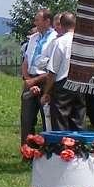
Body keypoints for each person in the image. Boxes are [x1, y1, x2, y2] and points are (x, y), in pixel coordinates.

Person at [41, 12, 83, 131]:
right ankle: (80, 146)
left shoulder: (60, 42)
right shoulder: (82, 42)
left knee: (60, 120)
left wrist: (46, 91)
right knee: (79, 118)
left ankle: (62, 147)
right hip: (80, 83)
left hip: (63, 84)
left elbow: (53, 71)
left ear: (62, 25)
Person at [20, 9, 56, 142]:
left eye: (37, 20)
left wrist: (35, 80)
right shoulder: (34, 38)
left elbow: (52, 68)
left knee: (47, 117)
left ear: (47, 22)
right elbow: (26, 60)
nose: (35, 22)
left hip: (45, 81)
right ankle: (27, 150)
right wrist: (28, 80)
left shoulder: (54, 40)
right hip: (30, 79)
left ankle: (49, 149)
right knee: (27, 118)